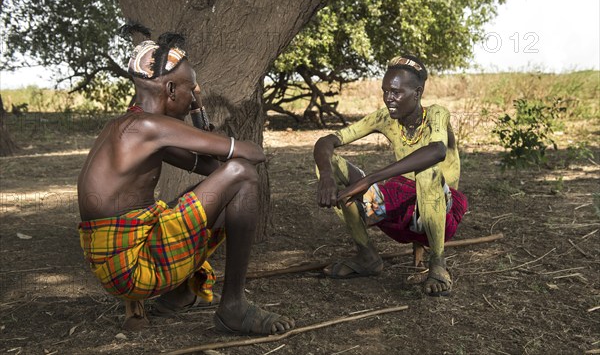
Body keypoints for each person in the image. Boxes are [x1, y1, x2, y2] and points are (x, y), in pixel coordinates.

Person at [77, 27, 294, 334]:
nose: (193, 97)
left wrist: (198, 114)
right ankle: (233, 306)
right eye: (190, 90)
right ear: (170, 90)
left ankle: (178, 294)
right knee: (243, 174)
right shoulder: (150, 127)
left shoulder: (131, 127)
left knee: (214, 191)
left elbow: (210, 168)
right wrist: (201, 114)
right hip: (131, 270)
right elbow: (250, 155)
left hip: (120, 265)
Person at [313, 55, 468, 296]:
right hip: (400, 207)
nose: (388, 98)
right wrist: (325, 175)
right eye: (385, 91)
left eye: (396, 92)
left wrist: (369, 179)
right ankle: (367, 256)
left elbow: (436, 151)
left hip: (440, 210)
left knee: (427, 172)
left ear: (417, 93)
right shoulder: (384, 117)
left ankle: (438, 264)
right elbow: (327, 141)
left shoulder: (437, 114)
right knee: (329, 163)